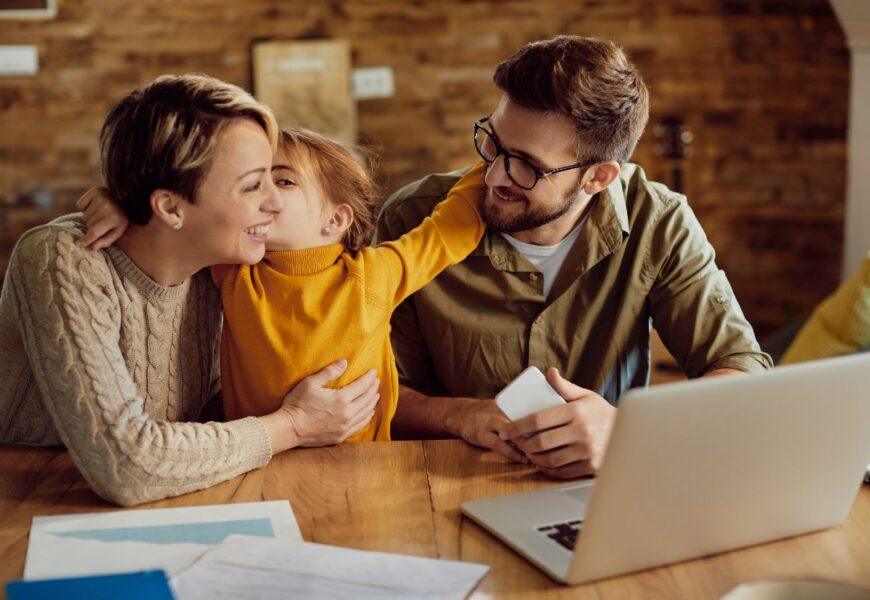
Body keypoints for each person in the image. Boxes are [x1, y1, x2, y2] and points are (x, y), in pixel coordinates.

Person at [374, 35, 773, 479]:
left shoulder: (659, 222)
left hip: (606, 487)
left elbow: (740, 370)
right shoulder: (411, 217)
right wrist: (458, 415)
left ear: (597, 178)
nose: (493, 175)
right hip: (442, 484)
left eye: (526, 165)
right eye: (493, 142)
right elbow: (376, 391)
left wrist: (625, 429)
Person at [0, 75, 380, 506]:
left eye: (278, 182)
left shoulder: (222, 265)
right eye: (254, 185)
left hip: (178, 495)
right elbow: (127, 465)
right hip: (29, 500)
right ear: (170, 207)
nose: (274, 204)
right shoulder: (62, 258)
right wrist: (291, 426)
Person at [81, 127, 486, 441]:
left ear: (335, 220)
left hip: (363, 464)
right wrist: (118, 201)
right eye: (255, 183)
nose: (264, 196)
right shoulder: (235, 269)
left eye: (284, 182)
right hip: (256, 457)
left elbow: (448, 229)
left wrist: (495, 159)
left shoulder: (375, 275)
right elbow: (174, 222)